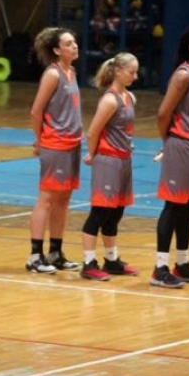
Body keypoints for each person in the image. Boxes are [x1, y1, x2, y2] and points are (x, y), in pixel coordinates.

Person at [150, 26, 189, 289]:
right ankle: (160, 269)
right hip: (181, 144)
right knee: (174, 206)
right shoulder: (182, 75)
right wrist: (168, 141)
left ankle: (183, 264)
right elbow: (163, 113)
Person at [79, 52, 141, 281]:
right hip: (108, 160)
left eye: (136, 72)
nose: (135, 76)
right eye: (131, 72)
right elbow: (93, 132)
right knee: (100, 212)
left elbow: (121, 129)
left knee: (116, 213)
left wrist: (127, 144)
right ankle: (88, 263)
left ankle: (112, 260)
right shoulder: (109, 100)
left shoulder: (129, 97)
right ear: (118, 71)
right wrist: (93, 154)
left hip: (124, 159)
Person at [27, 27, 82, 274]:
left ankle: (55, 252)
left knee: (63, 199)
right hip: (55, 143)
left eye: (74, 42)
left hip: (73, 143)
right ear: (57, 50)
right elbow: (36, 111)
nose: (74, 46)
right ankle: (34, 256)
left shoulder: (71, 71)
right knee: (47, 198)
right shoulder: (52, 74)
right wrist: (39, 140)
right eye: (68, 43)